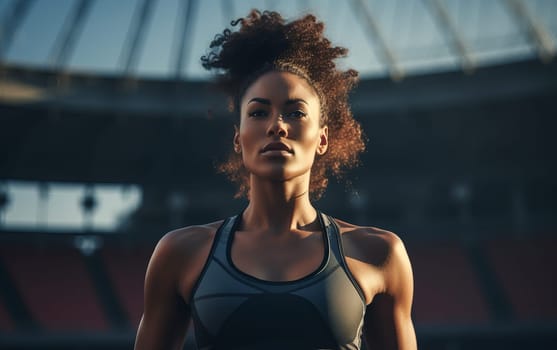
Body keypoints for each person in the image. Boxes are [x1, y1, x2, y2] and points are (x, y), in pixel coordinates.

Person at [135, 10, 416, 350]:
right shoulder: (180, 253)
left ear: (323, 138)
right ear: (238, 139)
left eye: (295, 112)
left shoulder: (379, 253)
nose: (277, 126)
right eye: (258, 112)